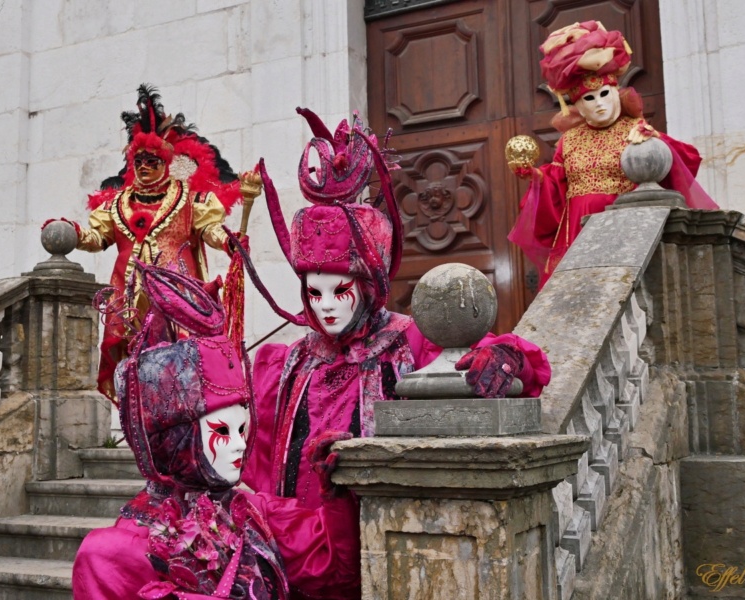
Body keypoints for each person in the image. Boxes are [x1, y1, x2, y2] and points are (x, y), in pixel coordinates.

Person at [236, 108, 552, 599]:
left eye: (340, 291)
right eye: (313, 293)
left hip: (394, 539)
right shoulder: (287, 364)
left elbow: (501, 358)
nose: (326, 308)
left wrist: (509, 359)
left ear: (371, 285)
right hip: (301, 549)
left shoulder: (412, 339)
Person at [72, 264, 360, 599]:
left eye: (243, 430)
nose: (240, 446)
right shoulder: (116, 550)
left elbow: (340, 575)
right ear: (178, 440)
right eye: (223, 431)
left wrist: (334, 495)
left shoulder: (258, 512)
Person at [43, 84, 244, 400]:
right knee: (135, 362)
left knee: (182, 358)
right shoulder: (116, 205)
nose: (145, 167)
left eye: (153, 161)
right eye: (140, 162)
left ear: (165, 164)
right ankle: (139, 412)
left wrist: (230, 242)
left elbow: (210, 230)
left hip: (178, 293)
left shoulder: (190, 200)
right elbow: (99, 238)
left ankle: (182, 409)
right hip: (129, 298)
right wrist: (76, 235)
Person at [508, 21, 718, 286]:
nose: (599, 104)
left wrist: (654, 140)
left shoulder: (636, 129)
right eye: (589, 98)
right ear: (577, 106)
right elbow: (556, 188)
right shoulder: (568, 141)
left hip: (624, 229)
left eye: (605, 94)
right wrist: (535, 177)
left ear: (617, 93)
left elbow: (684, 160)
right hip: (576, 234)